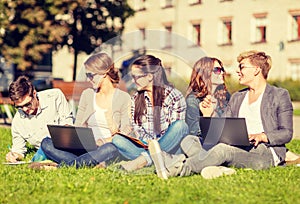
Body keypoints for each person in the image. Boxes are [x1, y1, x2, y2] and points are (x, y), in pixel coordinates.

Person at [149, 50, 294, 179]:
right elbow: (224, 127)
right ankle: (217, 168)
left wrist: (262, 136)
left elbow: (286, 133)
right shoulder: (238, 97)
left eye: (242, 67)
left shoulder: (279, 95)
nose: (237, 71)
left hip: (264, 151)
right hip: (238, 145)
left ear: (256, 70)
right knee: (190, 140)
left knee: (222, 150)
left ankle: (177, 167)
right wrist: (209, 115)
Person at [40, 52, 132, 169]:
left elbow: (125, 133)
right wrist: (71, 135)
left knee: (109, 149)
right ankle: (87, 163)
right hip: (85, 147)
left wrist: (102, 141)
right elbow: (78, 125)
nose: (88, 79)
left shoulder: (123, 98)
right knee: (46, 143)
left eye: (90, 75)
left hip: (106, 146)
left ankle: (60, 166)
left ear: (104, 73)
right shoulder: (87, 95)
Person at [112, 54, 189, 171]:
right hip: (147, 146)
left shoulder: (173, 96)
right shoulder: (136, 99)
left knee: (180, 126)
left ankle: (144, 160)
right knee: (117, 140)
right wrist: (127, 132)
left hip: (170, 146)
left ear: (149, 76)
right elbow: (138, 132)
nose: (133, 80)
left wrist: (156, 145)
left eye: (136, 77)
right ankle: (155, 159)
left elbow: (175, 134)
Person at [5, 75, 73, 163]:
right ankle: (82, 162)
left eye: (27, 104)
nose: (25, 109)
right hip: (49, 150)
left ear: (34, 93)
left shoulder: (55, 96)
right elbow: (19, 150)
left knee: (46, 143)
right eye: (20, 107)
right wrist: (14, 155)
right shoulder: (18, 122)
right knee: (46, 145)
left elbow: (68, 123)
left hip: (67, 144)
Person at [185, 56, 230, 140]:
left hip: (224, 140)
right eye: (217, 70)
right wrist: (206, 116)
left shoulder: (225, 96)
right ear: (205, 73)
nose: (222, 73)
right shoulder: (193, 100)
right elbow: (194, 132)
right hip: (203, 142)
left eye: (222, 69)